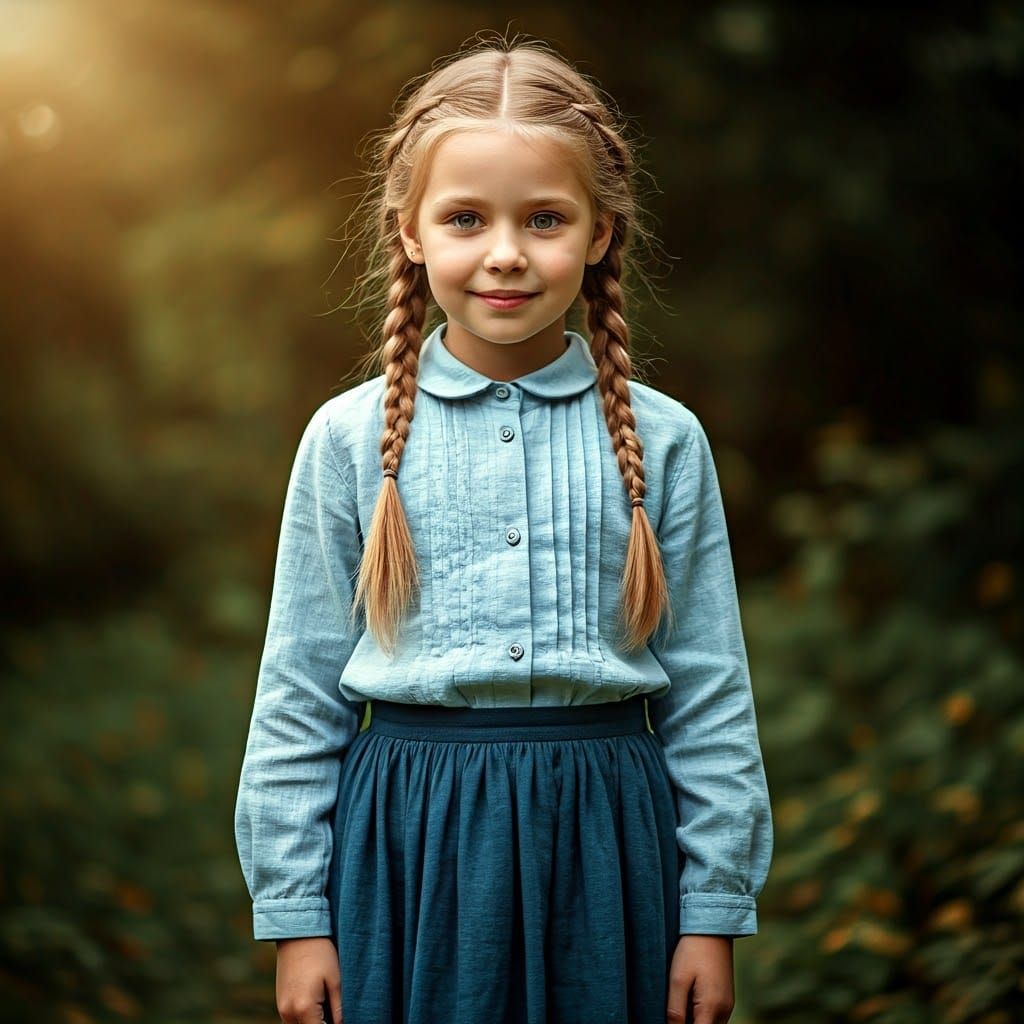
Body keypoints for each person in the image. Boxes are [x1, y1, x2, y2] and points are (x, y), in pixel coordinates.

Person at [233, 31, 773, 1024]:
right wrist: (296, 916)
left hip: (608, 838)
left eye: (544, 218)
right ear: (410, 231)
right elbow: (296, 694)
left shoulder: (664, 443)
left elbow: (711, 697)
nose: (505, 254)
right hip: (409, 838)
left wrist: (712, 911)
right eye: (466, 218)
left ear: (601, 232)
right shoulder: (348, 441)